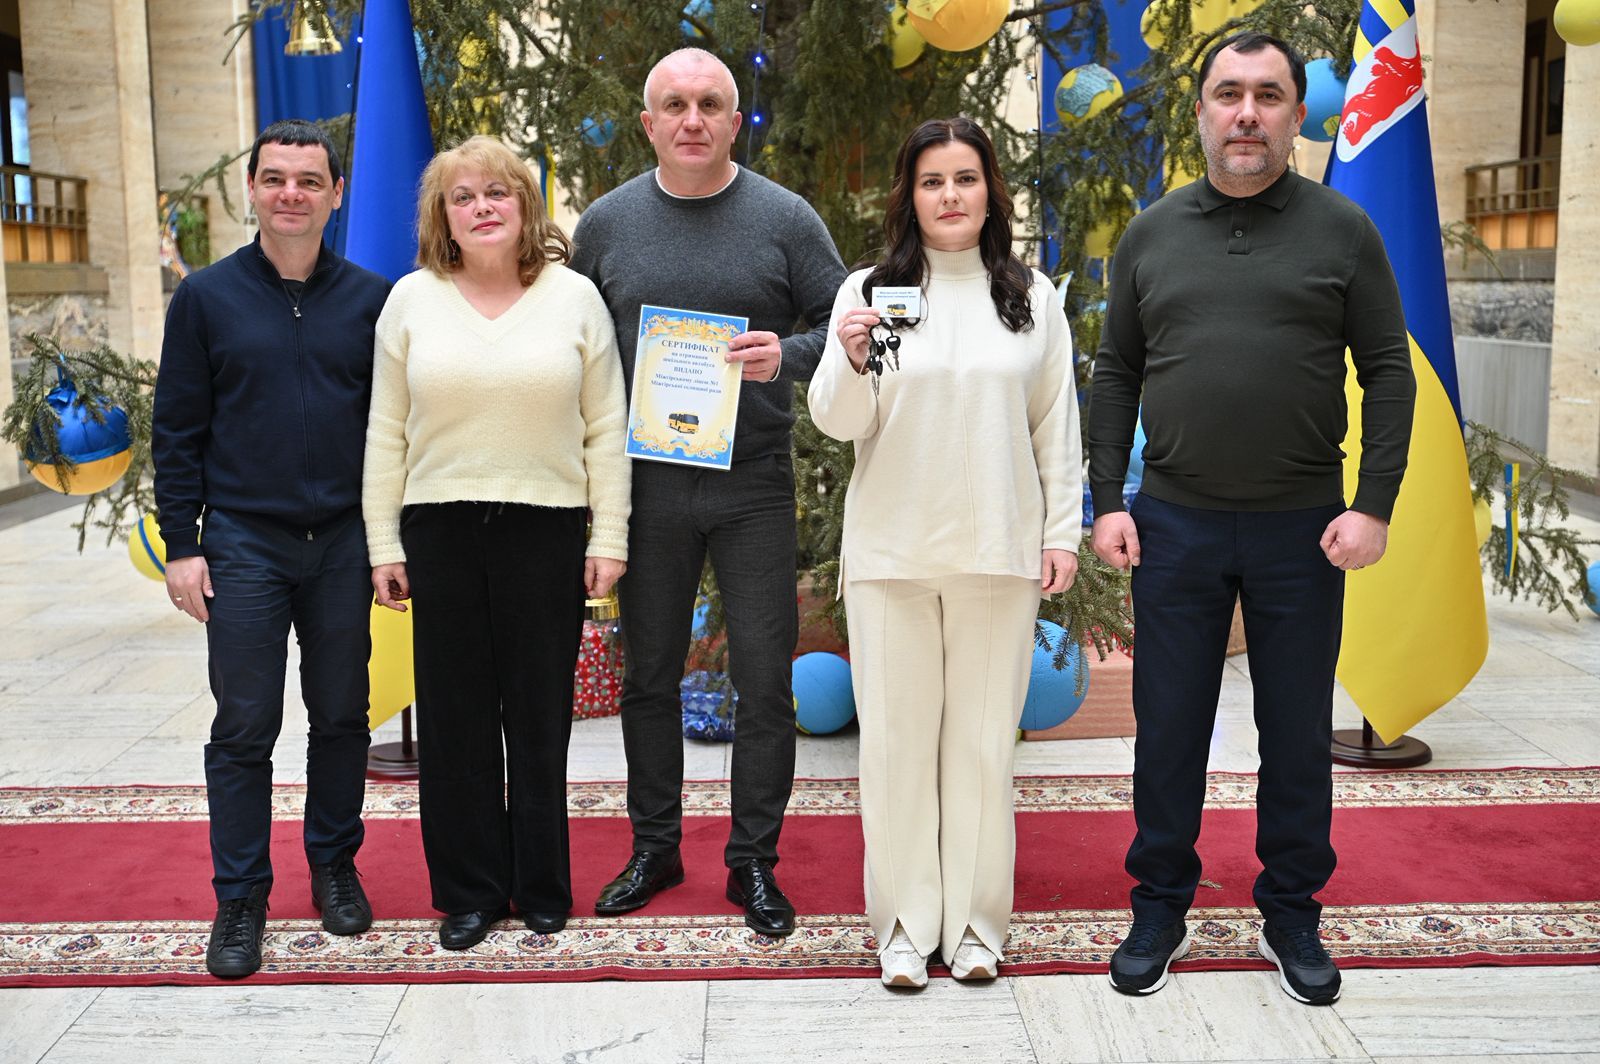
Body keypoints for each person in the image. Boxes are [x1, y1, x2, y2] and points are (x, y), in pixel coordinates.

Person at [1088, 31, 1416, 1005]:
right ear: (1199, 111)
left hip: (1301, 530)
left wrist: (1374, 504)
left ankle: (1291, 912)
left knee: (1295, 733)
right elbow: (1116, 371)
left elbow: (1387, 370)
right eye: (1227, 93)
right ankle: (1159, 904)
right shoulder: (1151, 233)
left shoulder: (1343, 230)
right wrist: (1106, 501)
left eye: (1267, 95)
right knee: (1168, 730)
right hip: (1174, 526)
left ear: (1294, 113)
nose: (1246, 113)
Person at [570, 47, 845, 936]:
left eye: (711, 104)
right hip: (645, 488)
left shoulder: (785, 217)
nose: (693, 119)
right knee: (648, 676)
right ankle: (654, 847)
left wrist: (786, 354)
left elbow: (848, 323)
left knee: (764, 681)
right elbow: (574, 347)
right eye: (676, 105)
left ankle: (753, 861)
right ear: (648, 123)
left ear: (735, 120)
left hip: (752, 485)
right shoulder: (605, 226)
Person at [809, 117, 1081, 987]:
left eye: (966, 178)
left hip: (998, 552)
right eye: (932, 181)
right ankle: (902, 927)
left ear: (991, 192)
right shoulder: (870, 291)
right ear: (910, 196)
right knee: (893, 750)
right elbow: (839, 422)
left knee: (981, 751)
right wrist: (849, 359)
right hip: (892, 555)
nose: (951, 195)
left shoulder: (1032, 298)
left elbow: (1056, 426)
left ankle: (974, 927)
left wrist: (1061, 533)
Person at [362, 135, 631, 950]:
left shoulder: (574, 298)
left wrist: (609, 534)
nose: (482, 207)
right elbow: (385, 431)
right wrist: (383, 543)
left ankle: (542, 883)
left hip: (546, 527)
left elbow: (606, 426)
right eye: (463, 196)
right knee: (455, 721)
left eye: (497, 192)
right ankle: (471, 891)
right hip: (438, 527)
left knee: (540, 718)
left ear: (524, 205)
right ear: (442, 217)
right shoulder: (410, 300)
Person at [152, 119, 390, 980]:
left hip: (343, 543)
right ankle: (241, 896)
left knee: (342, 715)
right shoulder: (206, 299)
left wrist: (391, 541)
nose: (292, 193)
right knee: (245, 725)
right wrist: (183, 544)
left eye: (309, 180)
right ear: (252, 189)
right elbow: (177, 429)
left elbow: (394, 431)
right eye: (276, 178)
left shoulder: (373, 301)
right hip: (244, 542)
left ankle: (333, 865)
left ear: (336, 195)